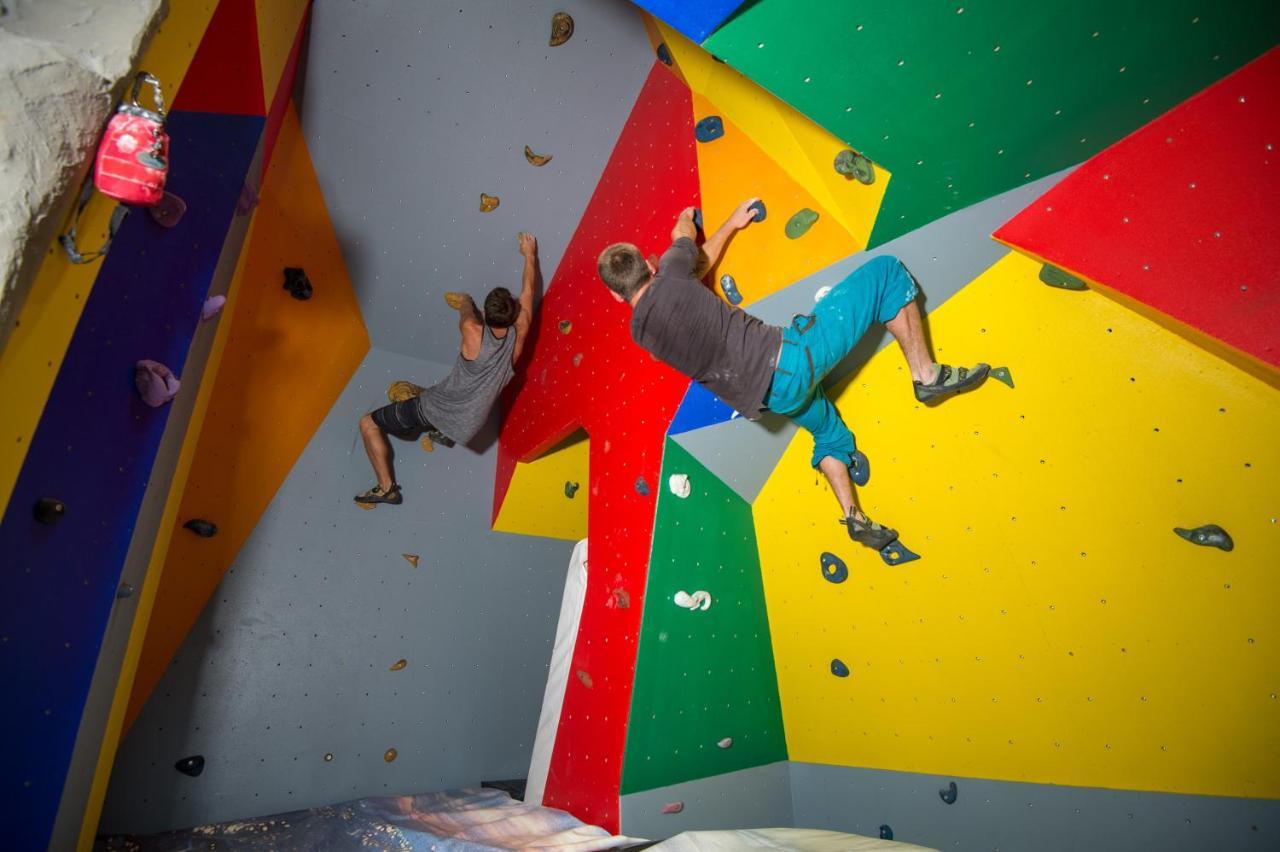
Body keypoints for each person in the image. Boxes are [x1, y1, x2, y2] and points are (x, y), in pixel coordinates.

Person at [596, 201, 989, 550]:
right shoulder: (671, 269)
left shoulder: (641, 335)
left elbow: (693, 273)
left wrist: (730, 225)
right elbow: (685, 241)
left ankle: (854, 517)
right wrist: (685, 218)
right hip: (789, 361)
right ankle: (927, 375)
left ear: (617, 297)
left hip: (773, 400)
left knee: (828, 433)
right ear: (649, 265)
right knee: (885, 273)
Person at [355, 232, 540, 506]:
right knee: (442, 398)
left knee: (368, 423)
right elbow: (529, 289)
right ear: (514, 315)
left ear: (487, 317)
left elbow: (465, 310)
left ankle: (386, 488)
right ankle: (441, 433)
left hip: (433, 408)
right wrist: (529, 254)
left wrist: (466, 300)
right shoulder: (520, 331)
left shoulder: (472, 331)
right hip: (470, 424)